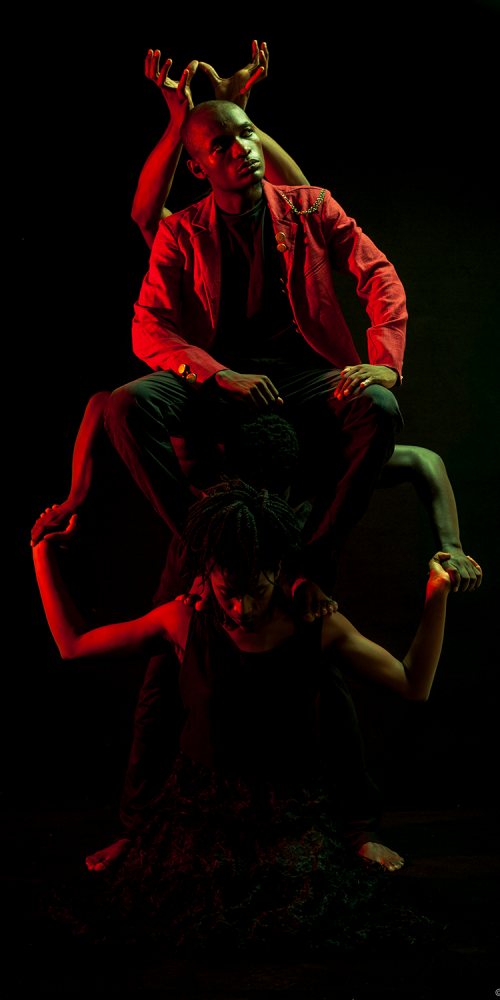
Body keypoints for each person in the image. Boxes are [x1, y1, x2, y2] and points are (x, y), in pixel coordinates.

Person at [33, 481, 476, 952]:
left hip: (288, 801)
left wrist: (437, 593)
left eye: (256, 592)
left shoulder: (316, 625)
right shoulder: (182, 620)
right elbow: (74, 645)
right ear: (206, 575)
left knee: (298, 890)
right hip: (202, 803)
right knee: (196, 886)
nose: (241, 608)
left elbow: (412, 684)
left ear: (279, 571)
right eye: (228, 593)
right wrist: (42, 552)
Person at [103, 39, 407, 617]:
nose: (242, 149)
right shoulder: (181, 231)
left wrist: (386, 363)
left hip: (305, 380)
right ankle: (207, 543)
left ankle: (311, 563)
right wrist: (218, 375)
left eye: (246, 134)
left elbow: (379, 275)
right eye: (222, 146)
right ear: (197, 168)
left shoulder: (310, 207)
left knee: (380, 406)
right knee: (127, 404)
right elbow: (148, 325)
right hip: (217, 386)